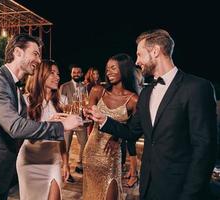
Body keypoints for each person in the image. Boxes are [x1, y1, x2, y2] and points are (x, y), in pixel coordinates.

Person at [85, 29, 217, 200]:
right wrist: (104, 120)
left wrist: (190, 194)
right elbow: (132, 132)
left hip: (180, 189)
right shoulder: (146, 93)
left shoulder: (196, 88)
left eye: (140, 55)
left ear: (155, 51)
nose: (137, 61)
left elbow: (205, 150)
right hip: (148, 187)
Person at [0, 34, 82, 200]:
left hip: (0, 176)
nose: (38, 60)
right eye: (35, 54)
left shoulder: (14, 88)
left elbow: (24, 127)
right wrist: (61, 126)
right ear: (17, 52)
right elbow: (15, 127)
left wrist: (50, 122)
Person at [83, 53, 138, 200]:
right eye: (107, 69)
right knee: (91, 193)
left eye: (113, 68)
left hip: (112, 153)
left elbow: (133, 131)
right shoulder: (97, 91)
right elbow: (88, 120)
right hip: (92, 149)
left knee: (110, 192)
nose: (108, 72)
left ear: (124, 69)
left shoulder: (133, 100)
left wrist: (117, 138)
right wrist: (85, 115)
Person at [16, 60, 70, 200]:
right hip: (29, 161)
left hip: (52, 161)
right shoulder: (25, 101)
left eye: (58, 74)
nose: (57, 77)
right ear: (41, 75)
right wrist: (51, 123)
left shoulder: (62, 102)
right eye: (52, 73)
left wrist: (65, 162)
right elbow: (27, 135)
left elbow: (61, 136)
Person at [59, 64, 88, 181]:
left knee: (85, 145)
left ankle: (80, 165)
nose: (76, 74)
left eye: (78, 72)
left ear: (81, 74)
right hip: (67, 121)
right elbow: (61, 104)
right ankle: (67, 171)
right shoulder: (64, 86)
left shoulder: (84, 87)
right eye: (74, 72)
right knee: (65, 146)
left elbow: (86, 102)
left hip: (80, 121)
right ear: (71, 74)